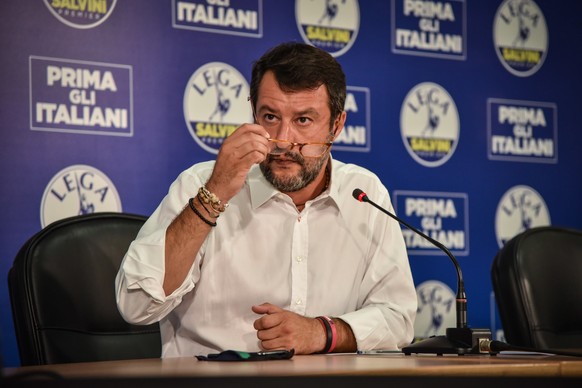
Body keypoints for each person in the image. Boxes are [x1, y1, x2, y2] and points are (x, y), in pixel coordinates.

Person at [115, 42, 417, 357]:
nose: (283, 141)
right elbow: (136, 305)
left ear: (336, 125)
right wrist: (214, 194)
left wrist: (322, 332)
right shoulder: (201, 184)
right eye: (270, 117)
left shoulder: (364, 194)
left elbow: (398, 317)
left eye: (303, 121)